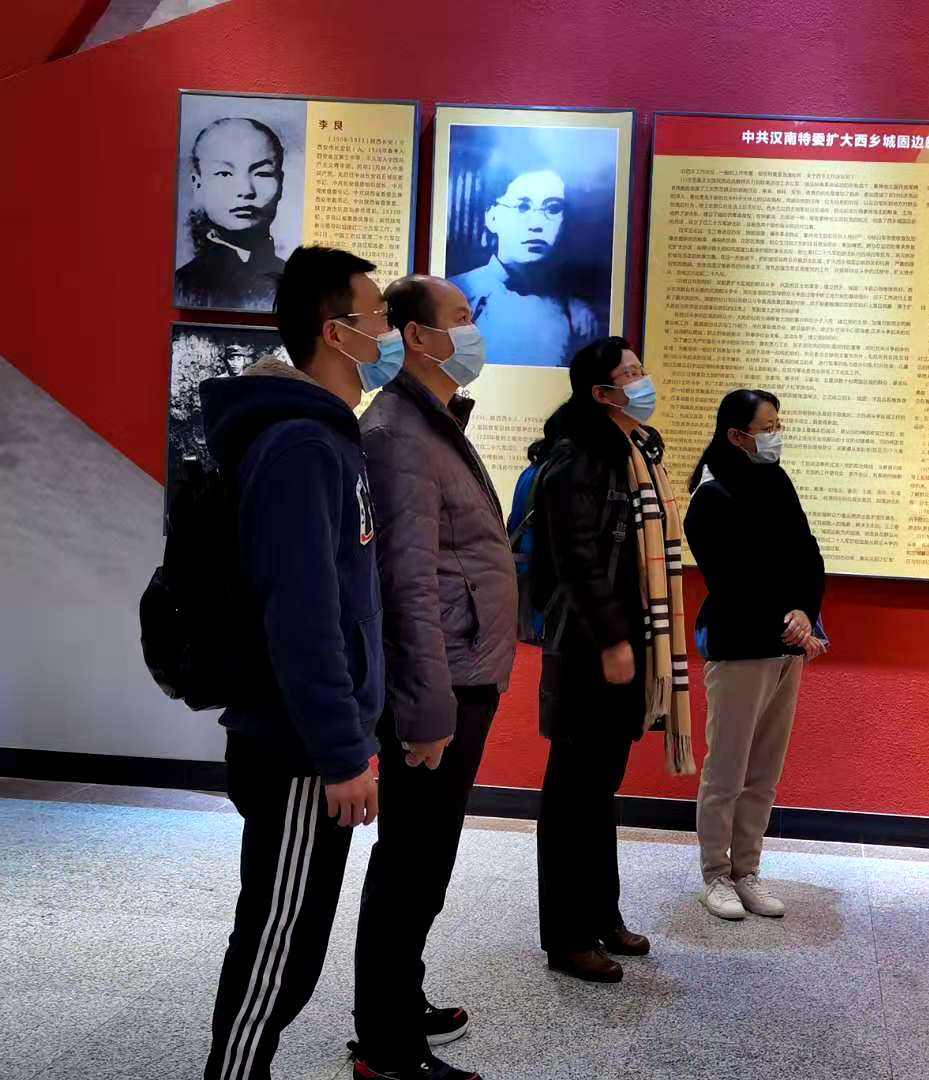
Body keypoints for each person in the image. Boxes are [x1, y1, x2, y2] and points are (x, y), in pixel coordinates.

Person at [198, 245, 404, 1080]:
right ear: (337, 331)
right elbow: (304, 614)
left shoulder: (327, 439)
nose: (391, 331)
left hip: (313, 742)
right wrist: (340, 751)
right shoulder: (301, 447)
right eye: (380, 316)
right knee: (277, 945)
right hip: (296, 750)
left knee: (296, 939)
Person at [350, 275, 517, 1080]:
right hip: (440, 679)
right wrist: (426, 708)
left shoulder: (431, 422)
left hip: (461, 668)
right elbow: (406, 584)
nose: (472, 328)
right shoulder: (397, 435)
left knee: (426, 857)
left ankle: (399, 997)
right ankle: (387, 1047)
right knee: (412, 860)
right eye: (459, 317)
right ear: (417, 337)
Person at [533, 336, 695, 982]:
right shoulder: (578, 457)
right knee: (572, 796)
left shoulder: (635, 452)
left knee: (600, 791)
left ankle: (602, 914)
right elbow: (574, 560)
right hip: (589, 651)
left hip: (624, 645)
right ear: (601, 394)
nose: (642, 380)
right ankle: (567, 936)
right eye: (629, 374)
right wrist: (611, 639)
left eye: (639, 368)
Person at [684, 390, 828, 922]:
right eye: (767, 426)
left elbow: (807, 553)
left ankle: (747, 869)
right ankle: (715, 875)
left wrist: (805, 611)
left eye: (777, 424)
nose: (775, 434)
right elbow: (733, 579)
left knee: (764, 771)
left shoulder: (777, 481)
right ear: (736, 435)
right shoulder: (711, 497)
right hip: (741, 646)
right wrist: (788, 619)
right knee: (727, 770)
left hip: (786, 646)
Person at [449, 160, 600, 367]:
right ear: (492, 217)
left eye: (553, 209)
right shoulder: (457, 295)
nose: (536, 224)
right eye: (522, 207)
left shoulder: (578, 317)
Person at [176, 117, 289, 311]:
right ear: (198, 184)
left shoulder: (298, 285)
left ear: (281, 184)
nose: (245, 190)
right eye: (224, 173)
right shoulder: (181, 287)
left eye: (262, 173)